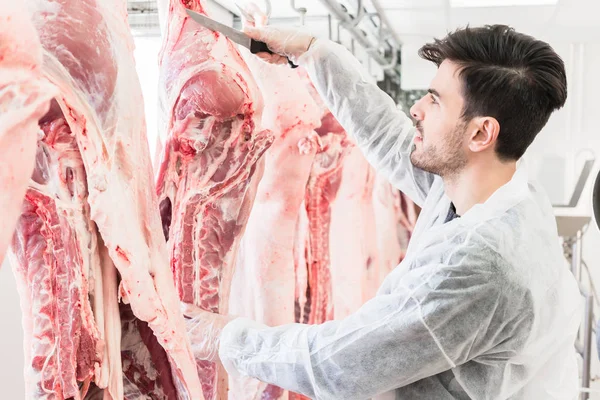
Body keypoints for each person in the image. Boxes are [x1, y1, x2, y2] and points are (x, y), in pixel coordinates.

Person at [182, 24, 583, 399]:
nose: (416, 109)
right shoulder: (499, 189)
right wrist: (313, 52)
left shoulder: (483, 266)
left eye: (435, 101)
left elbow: (339, 365)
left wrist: (225, 339)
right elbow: (390, 139)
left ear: (481, 133)